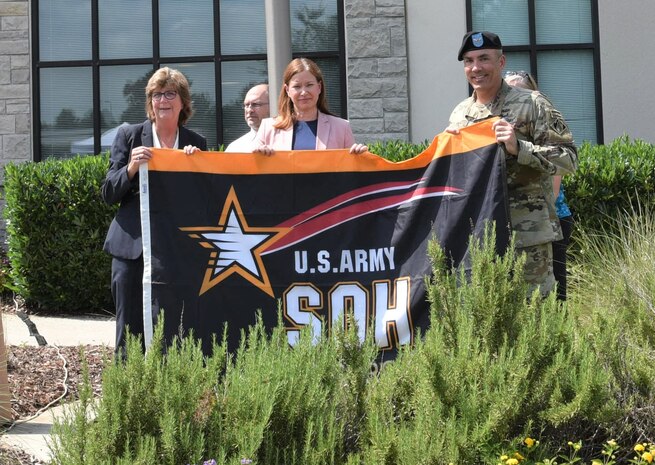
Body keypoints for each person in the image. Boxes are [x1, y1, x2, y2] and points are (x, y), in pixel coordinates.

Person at [446, 31, 578, 299]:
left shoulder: (532, 104)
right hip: (479, 239)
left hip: (528, 238)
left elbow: (568, 159)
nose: (476, 68)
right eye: (469, 61)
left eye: (484, 59)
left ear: (501, 62)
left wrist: (521, 148)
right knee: (486, 320)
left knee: (536, 318)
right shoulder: (460, 114)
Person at [101, 67, 208, 354]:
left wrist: (197, 168)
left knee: (175, 324)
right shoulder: (129, 136)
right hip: (131, 251)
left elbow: (205, 201)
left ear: (183, 102)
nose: (163, 100)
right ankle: (128, 391)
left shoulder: (197, 143)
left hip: (175, 251)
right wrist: (131, 168)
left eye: (170, 93)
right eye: (156, 94)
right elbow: (108, 192)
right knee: (129, 327)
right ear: (150, 102)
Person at [504, 70, 574, 301]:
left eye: (519, 90)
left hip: (551, 223)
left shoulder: (541, 120)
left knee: (554, 293)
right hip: (520, 226)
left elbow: (553, 188)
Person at [254, 57, 368, 155]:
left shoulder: (341, 127)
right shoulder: (268, 128)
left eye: (309, 85)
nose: (303, 92)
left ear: (319, 87)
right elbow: (251, 170)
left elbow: (352, 173)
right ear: (287, 90)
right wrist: (258, 155)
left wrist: (359, 156)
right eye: (297, 86)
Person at [225, 83, 270, 152]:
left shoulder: (288, 141)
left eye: (256, 104)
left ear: (273, 105)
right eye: (246, 105)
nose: (249, 110)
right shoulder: (235, 148)